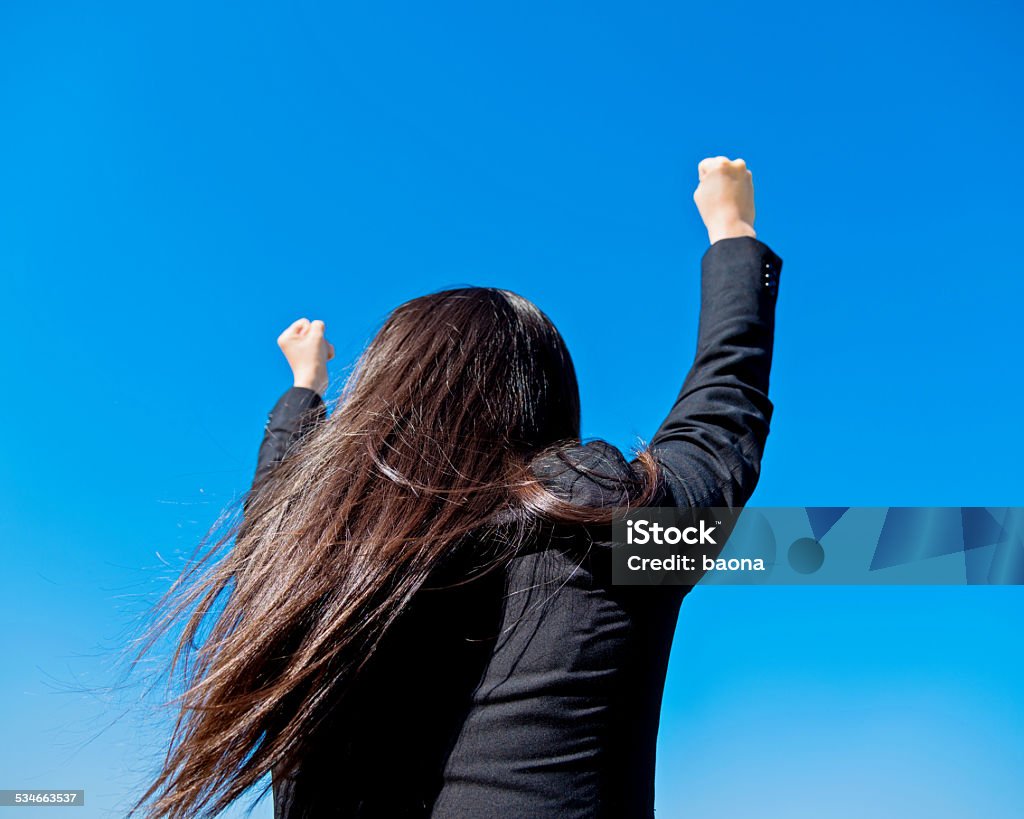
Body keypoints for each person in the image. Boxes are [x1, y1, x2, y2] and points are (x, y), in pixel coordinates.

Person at [131, 156, 782, 819]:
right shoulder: (607, 529)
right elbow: (720, 419)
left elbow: (281, 514)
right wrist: (733, 230)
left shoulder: (319, 577)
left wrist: (304, 393)